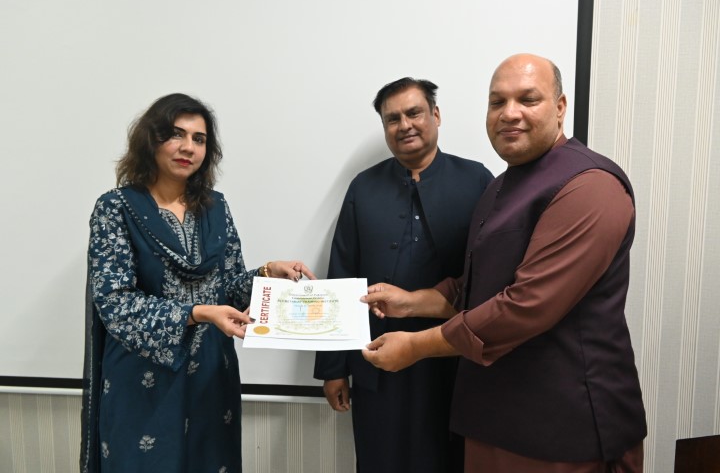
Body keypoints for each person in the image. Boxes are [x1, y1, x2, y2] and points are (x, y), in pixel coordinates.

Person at [361, 54, 647, 472]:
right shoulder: (500, 187)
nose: (509, 113)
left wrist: (416, 346)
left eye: (528, 99)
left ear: (560, 107)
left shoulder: (590, 186)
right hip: (493, 421)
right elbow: (478, 285)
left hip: (566, 430)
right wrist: (412, 302)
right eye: (497, 102)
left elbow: (526, 306)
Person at [80, 93, 316, 473]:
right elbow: (116, 304)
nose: (188, 147)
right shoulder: (116, 208)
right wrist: (197, 313)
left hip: (211, 376)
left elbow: (229, 288)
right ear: (151, 139)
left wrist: (267, 273)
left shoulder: (215, 207)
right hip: (144, 383)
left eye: (199, 138)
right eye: (176, 134)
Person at [313, 78, 494, 473]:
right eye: (392, 119)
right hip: (378, 360)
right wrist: (333, 368)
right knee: (382, 459)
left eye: (414, 113)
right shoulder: (363, 187)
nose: (405, 125)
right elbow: (340, 274)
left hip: (452, 356)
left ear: (436, 115)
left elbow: (493, 272)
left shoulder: (477, 180)